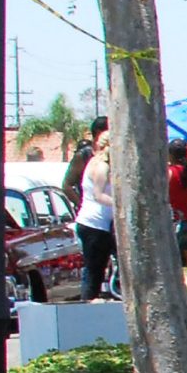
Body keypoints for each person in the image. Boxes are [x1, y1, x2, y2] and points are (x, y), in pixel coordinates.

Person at [72, 122, 115, 300]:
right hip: (94, 224)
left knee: (96, 269)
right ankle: (87, 302)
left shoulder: (96, 162)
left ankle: (90, 299)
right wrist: (120, 204)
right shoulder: (101, 166)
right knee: (94, 270)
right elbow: (98, 195)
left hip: (97, 224)